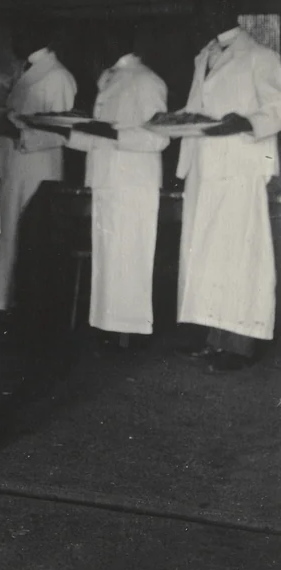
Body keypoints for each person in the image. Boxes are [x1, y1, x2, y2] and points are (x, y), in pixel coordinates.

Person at [175, 0, 281, 372]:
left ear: (225, 8)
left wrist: (247, 123)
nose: (197, 17)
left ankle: (239, 345)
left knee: (240, 258)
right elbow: (196, 110)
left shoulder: (260, 57)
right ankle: (215, 338)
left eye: (202, 7)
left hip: (241, 169)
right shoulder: (204, 56)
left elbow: (278, 106)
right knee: (210, 257)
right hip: (206, 170)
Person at [63, 27, 169, 340]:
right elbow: (98, 139)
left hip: (133, 184)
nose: (98, 50)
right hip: (108, 181)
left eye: (104, 40)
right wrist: (61, 132)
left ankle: (130, 333)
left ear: (123, 40)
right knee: (109, 258)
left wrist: (110, 133)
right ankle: (110, 329)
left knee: (130, 257)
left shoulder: (146, 80)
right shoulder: (109, 79)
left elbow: (158, 138)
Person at [0, 20, 76, 314]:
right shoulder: (30, 71)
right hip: (17, 165)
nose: (16, 39)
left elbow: (63, 132)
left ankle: (15, 309)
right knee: (8, 237)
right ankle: (3, 304)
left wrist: (14, 130)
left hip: (38, 170)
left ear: (42, 35)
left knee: (26, 242)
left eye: (23, 32)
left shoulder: (58, 77)